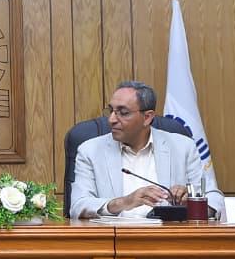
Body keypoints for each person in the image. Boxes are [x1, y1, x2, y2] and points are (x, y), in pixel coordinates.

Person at [70, 80, 203, 219]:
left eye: (123, 112)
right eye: (111, 111)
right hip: (116, 232)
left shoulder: (183, 147)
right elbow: (78, 206)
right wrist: (123, 202)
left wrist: (191, 201)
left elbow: (213, 200)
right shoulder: (90, 151)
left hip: (167, 231)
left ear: (147, 117)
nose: (111, 119)